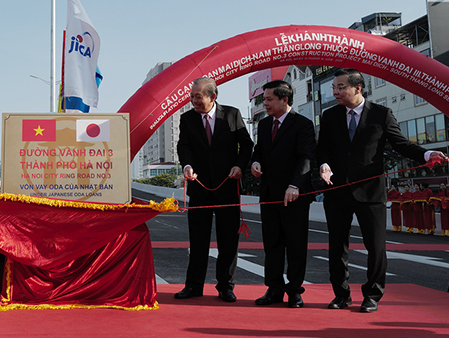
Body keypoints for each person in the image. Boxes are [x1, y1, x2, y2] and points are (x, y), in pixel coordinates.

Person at [317, 68, 447, 313]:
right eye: (334, 87)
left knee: (376, 247)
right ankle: (341, 294)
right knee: (337, 246)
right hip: (337, 192)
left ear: (358, 88)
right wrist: (324, 165)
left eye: (340, 87)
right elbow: (322, 148)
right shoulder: (330, 115)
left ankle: (372, 295)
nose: (335, 92)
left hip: (370, 192)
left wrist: (427, 154)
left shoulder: (381, 114)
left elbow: (401, 144)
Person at [175, 77, 253, 302]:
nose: (193, 101)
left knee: (228, 240)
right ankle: (194, 286)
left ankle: (226, 286)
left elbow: (246, 144)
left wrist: (239, 165)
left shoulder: (232, 114)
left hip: (227, 186)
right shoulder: (187, 119)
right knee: (197, 239)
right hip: (199, 188)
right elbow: (184, 146)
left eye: (198, 97)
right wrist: (187, 166)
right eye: (191, 96)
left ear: (213, 97)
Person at [250, 80, 315, 308]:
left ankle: (295, 290)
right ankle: (274, 288)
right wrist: (256, 162)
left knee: (296, 244)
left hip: (294, 195)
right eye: (264, 100)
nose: (265, 104)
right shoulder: (265, 124)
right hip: (269, 194)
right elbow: (259, 150)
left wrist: (295, 185)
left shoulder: (303, 124)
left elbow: (306, 158)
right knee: (272, 244)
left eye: (269, 100)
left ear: (284, 99)